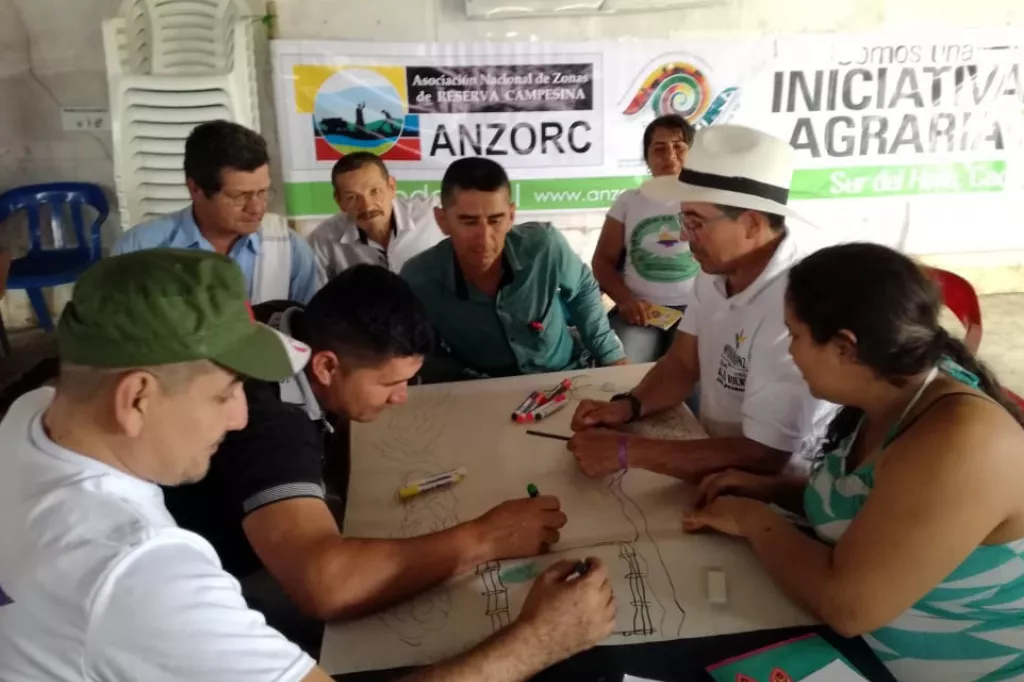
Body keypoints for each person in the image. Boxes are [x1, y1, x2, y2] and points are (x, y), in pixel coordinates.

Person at [0, 249, 617, 682]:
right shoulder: (141, 573)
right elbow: (324, 584)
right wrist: (539, 638)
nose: (240, 417)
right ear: (135, 397)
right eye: (223, 394)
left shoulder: (31, 412)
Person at [163, 263, 572, 651]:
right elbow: (325, 586)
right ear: (326, 367)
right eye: (390, 383)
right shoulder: (270, 427)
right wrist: (488, 538)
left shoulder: (289, 322)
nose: (401, 397)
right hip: (217, 578)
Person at [683, 243, 1024, 682]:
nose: (790, 352)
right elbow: (874, 505)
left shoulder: (961, 442)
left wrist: (754, 521)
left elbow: (849, 608)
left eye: (796, 336)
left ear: (845, 346)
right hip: (869, 647)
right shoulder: (888, 394)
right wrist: (775, 489)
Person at [568, 125, 833, 483]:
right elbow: (681, 362)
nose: (681, 236)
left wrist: (628, 451)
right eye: (683, 219)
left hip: (777, 490)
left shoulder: (799, 301)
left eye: (694, 222)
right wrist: (627, 407)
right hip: (713, 455)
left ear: (752, 224)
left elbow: (765, 453)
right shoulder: (715, 269)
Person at [401, 157, 626, 380]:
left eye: (495, 220)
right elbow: (424, 351)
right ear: (442, 221)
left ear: (511, 216)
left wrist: (610, 355)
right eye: (469, 222)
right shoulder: (419, 278)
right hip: (481, 387)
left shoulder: (543, 246)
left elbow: (582, 287)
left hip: (564, 375)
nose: (485, 238)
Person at [113, 120, 321, 304]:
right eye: (240, 196)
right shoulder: (140, 249)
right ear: (195, 189)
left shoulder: (289, 249)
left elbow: (309, 329)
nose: (257, 208)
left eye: (263, 192)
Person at [593, 114, 699, 363]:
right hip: (638, 311)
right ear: (647, 158)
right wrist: (626, 300)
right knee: (623, 377)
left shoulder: (709, 202)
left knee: (691, 384)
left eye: (679, 147)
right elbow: (602, 262)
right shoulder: (629, 201)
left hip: (696, 312)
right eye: (659, 148)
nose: (670, 156)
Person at [308, 152, 444, 279]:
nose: (367, 206)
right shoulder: (323, 241)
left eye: (374, 191)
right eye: (352, 197)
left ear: (392, 187)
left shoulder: (432, 215)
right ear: (339, 201)